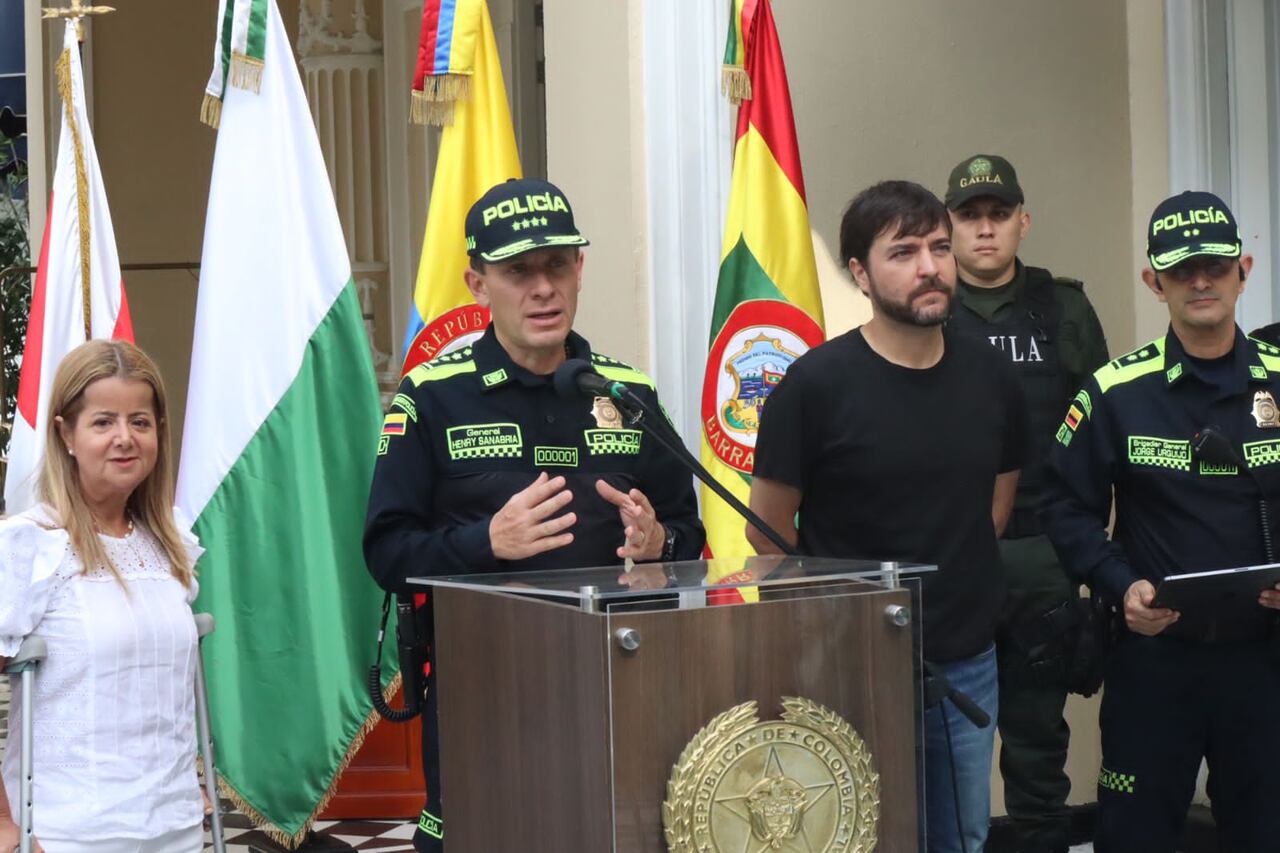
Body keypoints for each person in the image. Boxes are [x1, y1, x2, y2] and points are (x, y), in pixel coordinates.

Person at [363, 177, 705, 852]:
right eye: (518, 271)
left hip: (622, 689)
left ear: (580, 270)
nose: (543, 288)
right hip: (488, 693)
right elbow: (387, 552)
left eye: (557, 265)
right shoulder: (432, 396)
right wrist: (486, 541)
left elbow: (690, 536)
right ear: (477, 284)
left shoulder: (627, 392)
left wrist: (660, 541)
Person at [747, 180, 1028, 853]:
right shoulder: (814, 387)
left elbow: (995, 504)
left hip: (963, 659)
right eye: (903, 252)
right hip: (846, 663)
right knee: (854, 837)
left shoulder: (991, 376)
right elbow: (767, 532)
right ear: (860, 274)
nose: (929, 266)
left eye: (939, 247)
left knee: (958, 837)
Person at [1041, 191, 1280, 852]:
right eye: (1181, 270)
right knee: (1134, 836)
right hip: (1154, 658)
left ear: (1243, 271)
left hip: (1265, 660)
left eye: (1215, 266)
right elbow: (1062, 505)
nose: (1200, 281)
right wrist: (1120, 585)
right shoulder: (1115, 391)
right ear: (1154, 282)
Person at [944, 154, 1109, 853]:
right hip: (952, 559)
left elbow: (1100, 430)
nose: (985, 229)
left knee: (1039, 743)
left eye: (998, 214)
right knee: (946, 743)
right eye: (969, 216)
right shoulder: (926, 306)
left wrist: (1095, 555)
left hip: (1044, 552)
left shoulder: (1063, 308)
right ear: (948, 227)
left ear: (1023, 222)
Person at [0, 340, 206, 853]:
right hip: (68, 832)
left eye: (140, 421)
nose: (124, 438)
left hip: (174, 825)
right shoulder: (33, 544)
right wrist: (3, 823)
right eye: (103, 422)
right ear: (65, 433)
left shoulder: (169, 543)